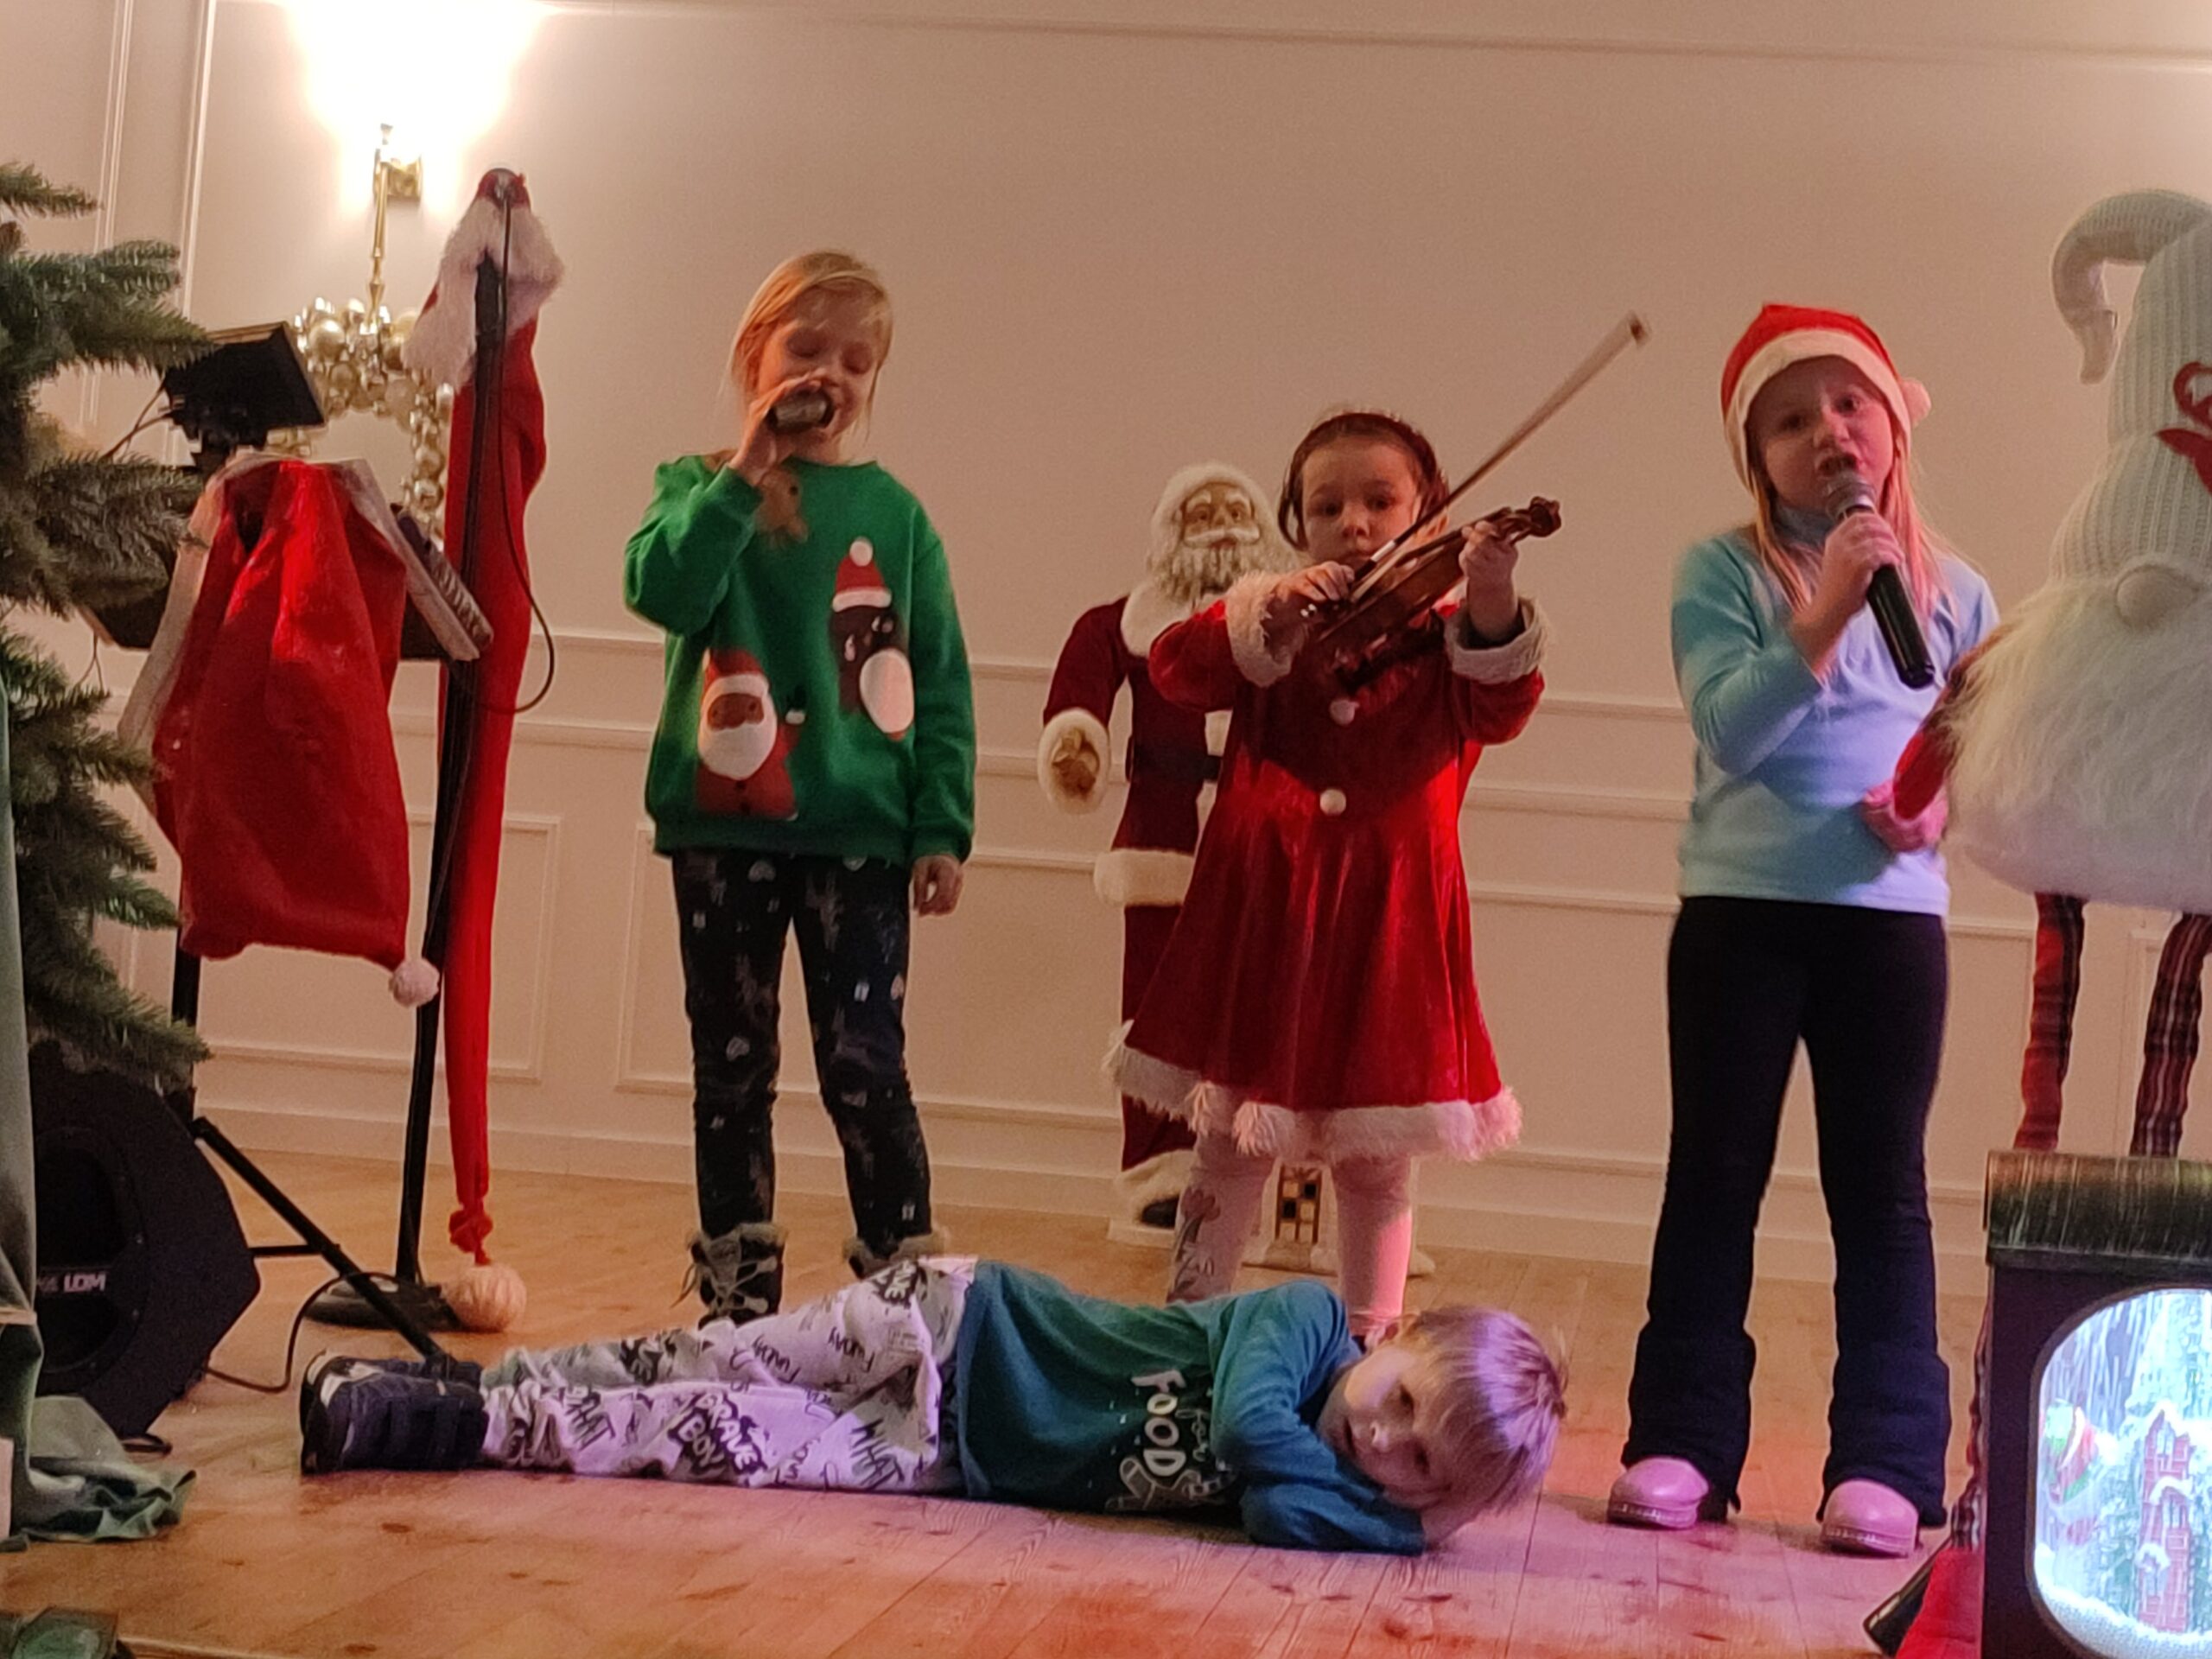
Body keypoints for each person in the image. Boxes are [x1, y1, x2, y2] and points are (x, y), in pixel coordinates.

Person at [1610, 305, 1997, 1558]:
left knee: (1881, 1191)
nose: (1825, 432)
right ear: (1756, 461)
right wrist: (1825, 608)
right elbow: (1732, 729)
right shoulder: (1720, 573)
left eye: (1847, 404)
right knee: (1713, 1176)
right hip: (1739, 918)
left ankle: (1886, 1460)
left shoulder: (1957, 594)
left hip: (1888, 928)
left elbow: (1978, 757)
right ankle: (1681, 1437)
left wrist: (1933, 812)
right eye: (1788, 421)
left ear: (1892, 427)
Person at [1109, 410, 1548, 1342]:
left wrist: (1491, 590)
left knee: (1377, 1159)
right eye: (1326, 506)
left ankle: (1365, 1349)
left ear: (1430, 518)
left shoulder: (1450, 638)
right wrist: (1261, 612)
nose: (1354, 522)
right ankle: (1185, 1333)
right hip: (1266, 914)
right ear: (1296, 524)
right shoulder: (1274, 628)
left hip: (1387, 927)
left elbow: (1503, 704)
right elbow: (1177, 671)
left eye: (1381, 501)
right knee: (1228, 1139)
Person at [622, 251, 975, 1325]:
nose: (832, 373)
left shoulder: (896, 516)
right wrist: (745, 471)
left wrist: (941, 825)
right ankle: (738, 1312)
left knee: (865, 1063)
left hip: (860, 834)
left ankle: (905, 1306)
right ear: (755, 357)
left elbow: (940, 678)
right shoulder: (695, 486)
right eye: (807, 348)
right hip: (721, 829)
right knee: (730, 1068)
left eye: (857, 361)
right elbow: (663, 590)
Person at [297, 1256, 1563, 1555]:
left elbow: (1282, 1509)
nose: (1378, 1441)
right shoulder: (1303, 1321)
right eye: (1402, 1401)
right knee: (714, 1357)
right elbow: (1245, 1435)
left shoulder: (1325, 1481)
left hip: (948, 1457)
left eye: (1414, 1468)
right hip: (958, 1322)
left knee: (713, 1438)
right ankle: (482, 1379)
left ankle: (442, 1426)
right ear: (1394, 1335)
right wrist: (1401, 1525)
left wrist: (1403, 1528)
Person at [1039, 462, 1298, 1230]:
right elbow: (1080, 693)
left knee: (1269, 1008)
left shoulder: (1293, 621)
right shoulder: (1123, 623)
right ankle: (1162, 1171)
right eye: (1200, 513)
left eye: (1234, 510)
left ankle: (1268, 1172)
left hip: (1267, 840)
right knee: (1154, 1013)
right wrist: (1076, 745)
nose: (1220, 525)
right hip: (1164, 839)